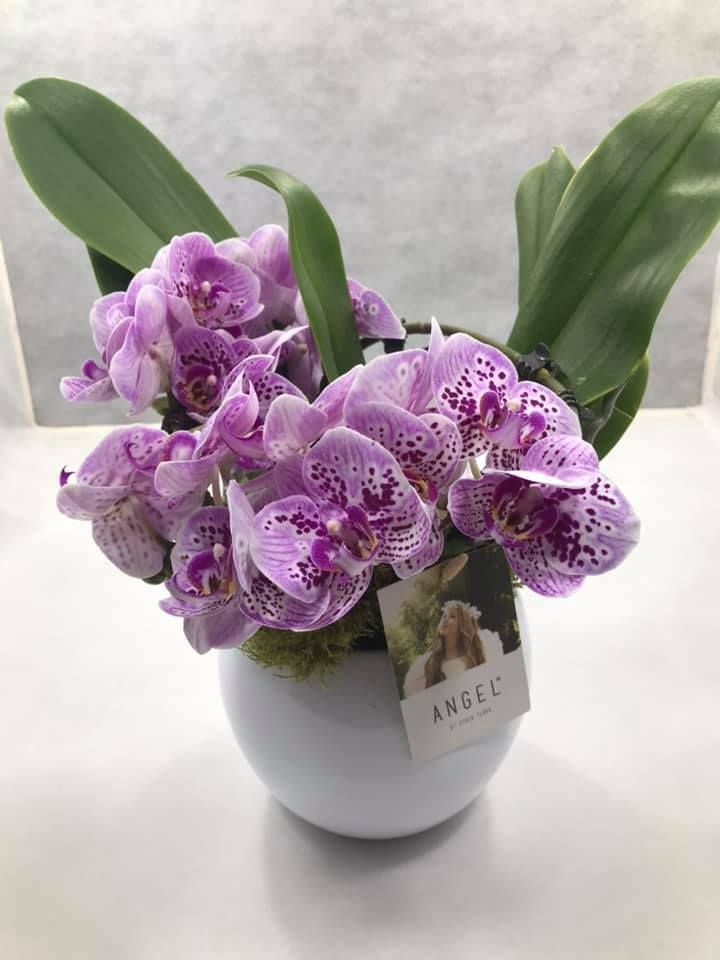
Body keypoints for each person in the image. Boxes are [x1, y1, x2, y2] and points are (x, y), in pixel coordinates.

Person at [402, 600, 504, 697]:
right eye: (444, 616)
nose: (445, 619)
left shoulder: (471, 657)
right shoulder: (431, 661)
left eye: (452, 616)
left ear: (462, 624)